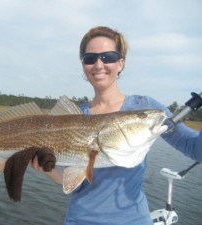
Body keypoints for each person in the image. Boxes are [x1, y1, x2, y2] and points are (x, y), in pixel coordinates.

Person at [30, 26, 202, 225]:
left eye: (108, 57)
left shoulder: (145, 109)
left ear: (121, 63)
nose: (98, 64)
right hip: (79, 220)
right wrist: (45, 167)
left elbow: (195, 150)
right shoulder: (73, 116)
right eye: (89, 58)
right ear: (84, 66)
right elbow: (68, 180)